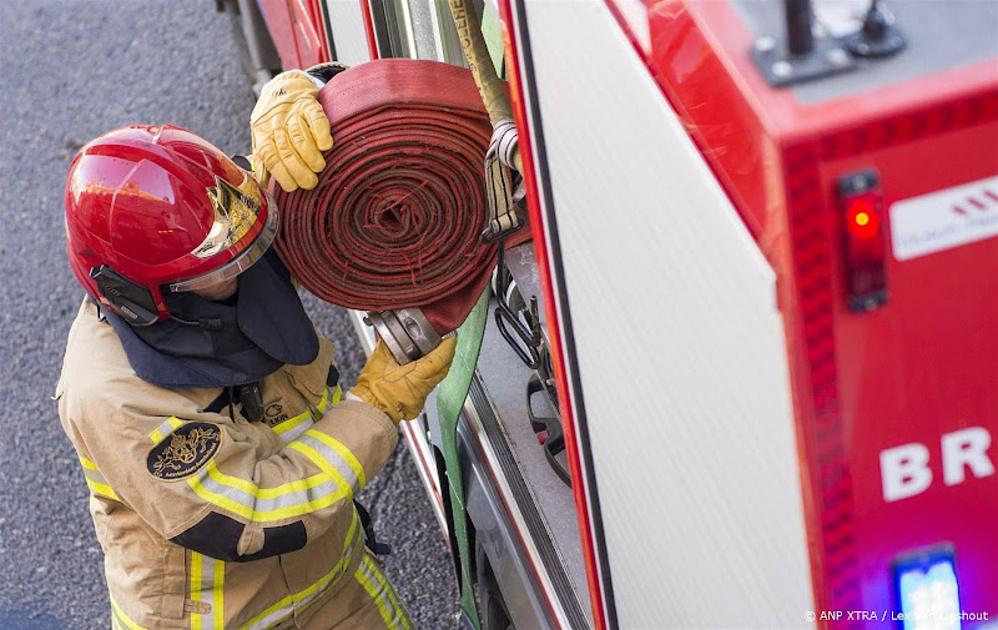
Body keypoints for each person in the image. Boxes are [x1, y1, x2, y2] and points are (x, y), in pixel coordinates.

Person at [55, 69, 454, 629]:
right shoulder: (113, 393)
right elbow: (252, 516)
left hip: (338, 587)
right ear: (139, 293)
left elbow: (326, 175)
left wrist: (308, 93)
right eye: (222, 268)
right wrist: (375, 407)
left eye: (247, 250)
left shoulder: (219, 236)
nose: (250, 269)